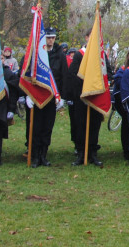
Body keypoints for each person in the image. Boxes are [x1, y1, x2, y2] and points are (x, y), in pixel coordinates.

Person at [64, 31, 104, 167]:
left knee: (94, 125)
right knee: (81, 126)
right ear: (87, 38)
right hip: (81, 98)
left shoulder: (100, 55)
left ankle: (93, 152)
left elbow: (107, 72)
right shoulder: (79, 55)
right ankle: (81, 153)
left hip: (96, 97)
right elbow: (72, 76)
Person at [29, 28, 66, 167]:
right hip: (38, 96)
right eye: (48, 37)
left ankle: (44, 155)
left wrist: (62, 96)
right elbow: (29, 73)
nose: (51, 40)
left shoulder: (60, 55)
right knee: (36, 127)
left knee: (47, 127)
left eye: (53, 37)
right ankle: (35, 156)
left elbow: (63, 75)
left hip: (52, 96)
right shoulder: (37, 54)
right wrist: (28, 95)